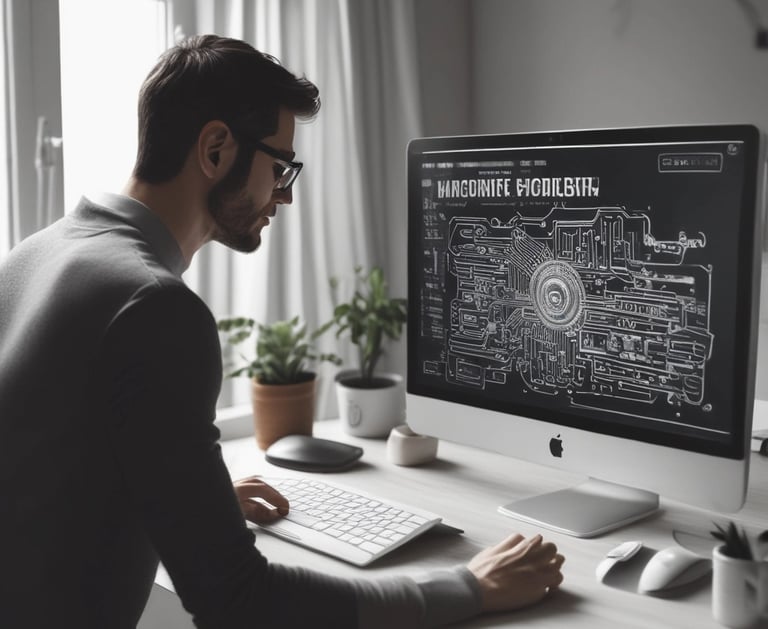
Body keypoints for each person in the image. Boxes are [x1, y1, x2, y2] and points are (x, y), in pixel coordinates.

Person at [0, 35, 564, 628]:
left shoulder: (31, 256)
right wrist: (468, 587)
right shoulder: (153, 306)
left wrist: (195, 505)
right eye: (280, 166)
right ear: (216, 149)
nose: (286, 194)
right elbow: (240, 601)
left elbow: (46, 481)